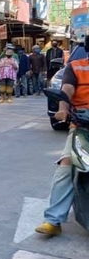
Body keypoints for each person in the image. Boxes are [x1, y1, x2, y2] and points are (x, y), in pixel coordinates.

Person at [35, 38, 89, 236]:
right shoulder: (76, 66)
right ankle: (53, 220)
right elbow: (67, 90)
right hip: (82, 126)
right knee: (66, 165)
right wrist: (62, 108)